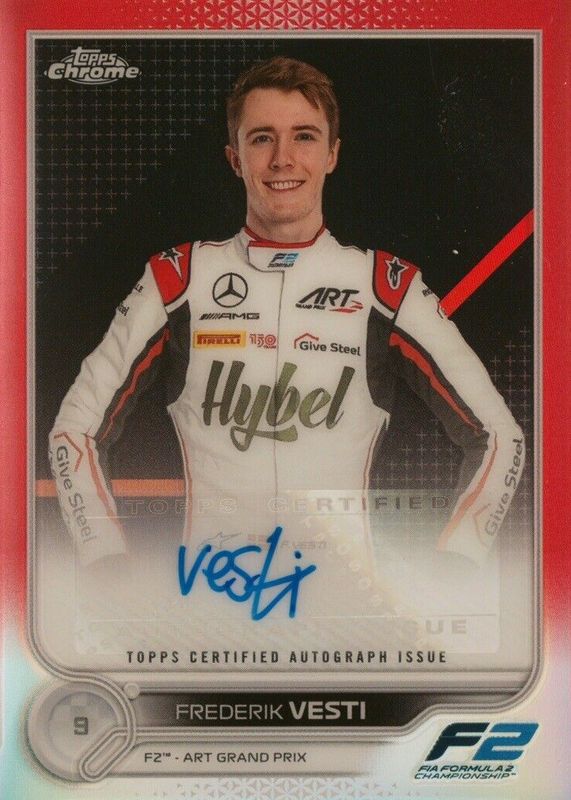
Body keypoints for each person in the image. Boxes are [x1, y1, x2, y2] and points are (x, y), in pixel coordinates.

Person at [49, 57, 524, 606]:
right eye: (261, 139)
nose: (282, 159)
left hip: (345, 614)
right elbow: (75, 427)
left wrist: (458, 563)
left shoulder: (385, 286)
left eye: (304, 136)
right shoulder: (177, 279)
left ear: (332, 154)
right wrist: (104, 560)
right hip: (208, 608)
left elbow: (501, 437)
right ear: (234, 158)